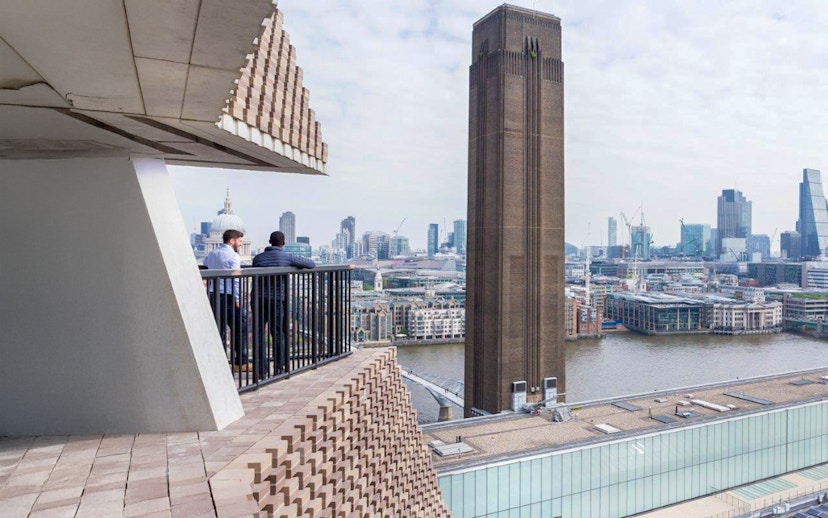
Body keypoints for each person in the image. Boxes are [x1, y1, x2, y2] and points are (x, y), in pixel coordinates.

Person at [252, 231, 315, 377]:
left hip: (258, 299)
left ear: (269, 241)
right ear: (283, 242)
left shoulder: (258, 258)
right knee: (278, 333)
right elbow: (311, 264)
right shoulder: (287, 257)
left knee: (259, 333)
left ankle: (261, 369)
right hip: (277, 299)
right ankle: (280, 367)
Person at [204, 229, 249, 371]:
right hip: (228, 297)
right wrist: (238, 298)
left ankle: (219, 363)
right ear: (232, 241)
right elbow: (236, 280)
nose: (240, 244)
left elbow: (205, 270)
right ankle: (240, 363)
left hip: (213, 295)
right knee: (239, 329)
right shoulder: (233, 256)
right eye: (240, 241)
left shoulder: (211, 254)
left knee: (218, 330)